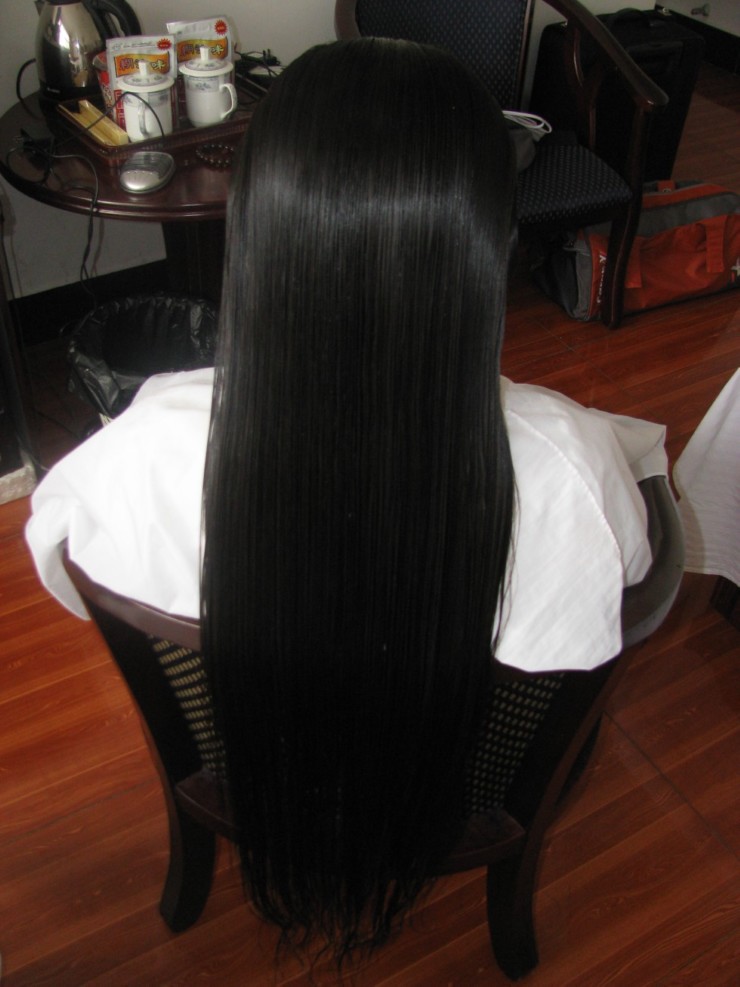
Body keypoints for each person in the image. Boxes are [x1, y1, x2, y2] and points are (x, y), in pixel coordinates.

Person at [25, 39, 667, 963]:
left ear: (258, 229)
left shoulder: (139, 449)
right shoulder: (571, 469)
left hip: (253, 766)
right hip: (459, 790)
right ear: (485, 248)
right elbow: (627, 587)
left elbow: (66, 555)